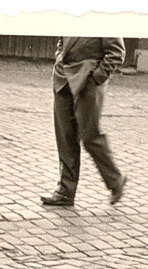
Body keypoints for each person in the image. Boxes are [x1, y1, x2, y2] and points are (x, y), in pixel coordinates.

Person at [40, 37, 128, 207]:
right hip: (62, 81)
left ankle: (116, 180)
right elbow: (62, 40)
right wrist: (60, 56)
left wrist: (96, 77)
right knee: (65, 137)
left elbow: (117, 53)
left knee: (90, 137)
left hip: (88, 84)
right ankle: (65, 192)